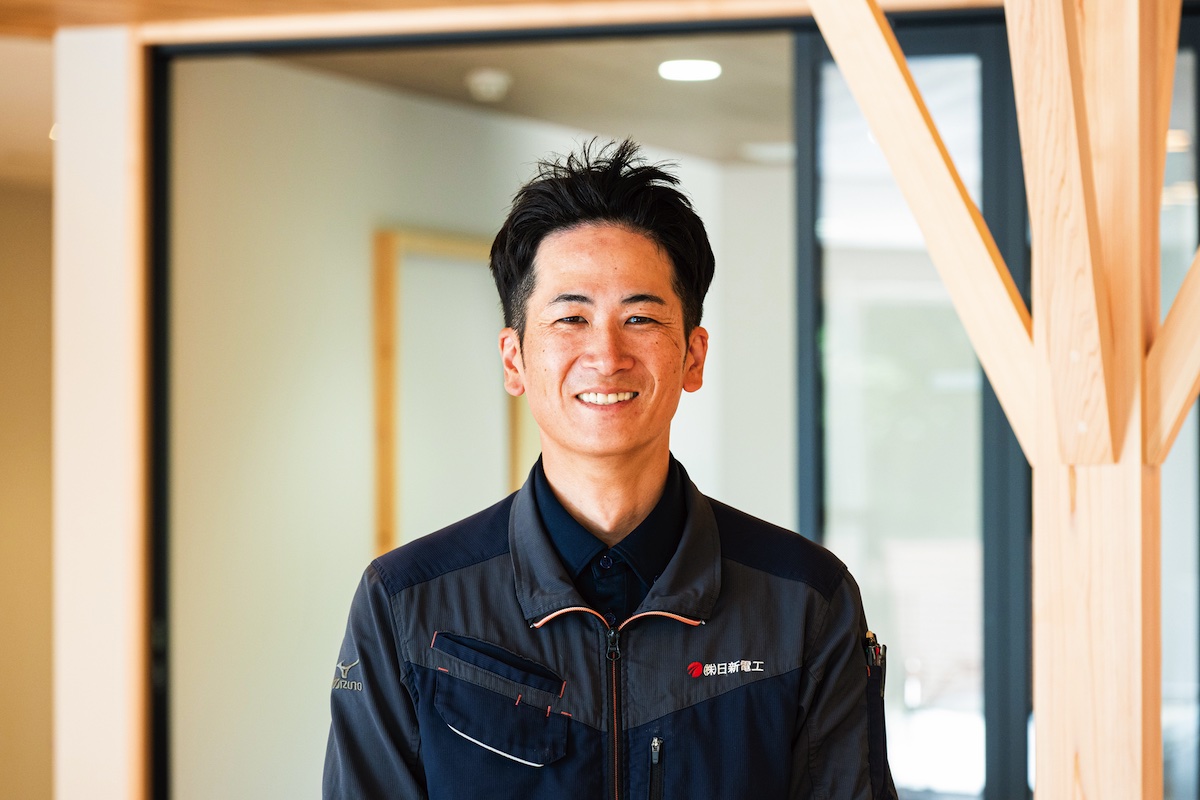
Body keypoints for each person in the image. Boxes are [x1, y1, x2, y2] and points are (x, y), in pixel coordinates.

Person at [323, 139, 897, 799]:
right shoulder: (406, 604)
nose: (606, 354)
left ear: (693, 356)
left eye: (640, 317)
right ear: (514, 359)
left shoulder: (805, 602)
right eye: (571, 317)